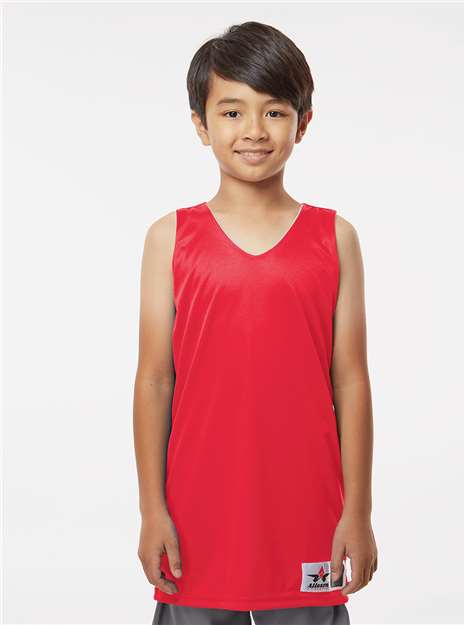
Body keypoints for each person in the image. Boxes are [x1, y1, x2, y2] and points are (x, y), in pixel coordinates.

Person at [133, 20, 378, 625]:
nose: (253, 131)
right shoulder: (170, 238)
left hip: (307, 513)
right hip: (196, 516)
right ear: (201, 124)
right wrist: (151, 509)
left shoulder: (335, 238)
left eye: (274, 112)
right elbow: (155, 380)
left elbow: (350, 381)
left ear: (303, 122)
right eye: (232, 112)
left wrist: (359, 512)